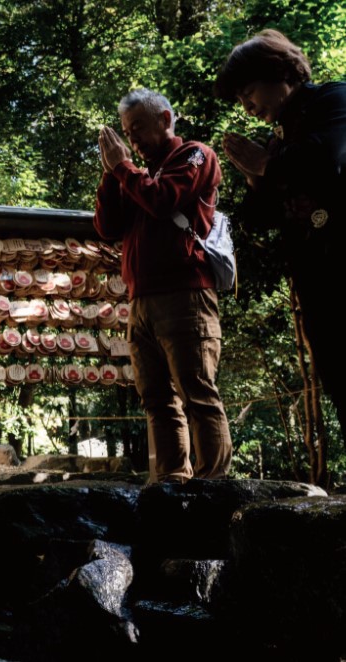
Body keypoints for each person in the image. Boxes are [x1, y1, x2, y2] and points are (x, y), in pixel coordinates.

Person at [94, 88, 233, 483]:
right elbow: (107, 227)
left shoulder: (194, 155)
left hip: (185, 295)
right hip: (140, 301)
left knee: (198, 393)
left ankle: (211, 488)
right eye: (126, 131)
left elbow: (163, 199)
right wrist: (111, 172)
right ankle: (173, 482)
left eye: (138, 128)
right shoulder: (135, 173)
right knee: (156, 399)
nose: (132, 139)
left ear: (166, 119)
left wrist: (123, 168)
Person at [215, 29, 346, 437]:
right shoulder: (278, 138)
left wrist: (267, 166)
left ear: (280, 73)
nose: (246, 105)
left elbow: (330, 157)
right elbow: (263, 219)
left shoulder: (334, 98)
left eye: (249, 91)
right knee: (338, 376)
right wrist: (257, 180)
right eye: (240, 99)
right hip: (315, 278)